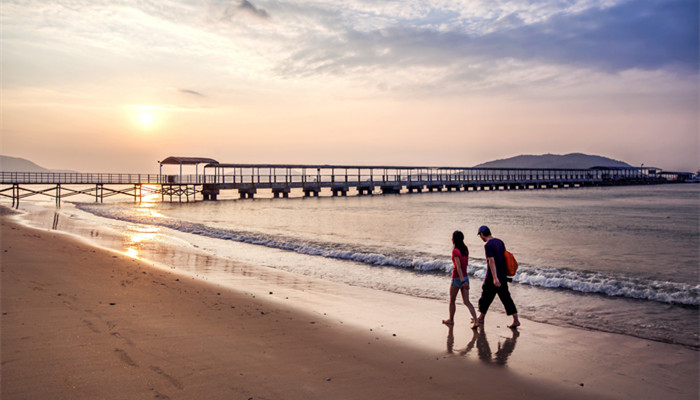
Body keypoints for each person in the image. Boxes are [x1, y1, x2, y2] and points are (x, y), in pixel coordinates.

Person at [476, 225, 520, 329]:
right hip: (502, 275)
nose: (480, 238)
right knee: (506, 298)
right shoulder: (500, 242)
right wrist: (501, 275)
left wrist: (495, 278)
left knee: (485, 298)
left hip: (493, 277)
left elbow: (491, 261)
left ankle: (481, 318)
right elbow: (504, 258)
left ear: (482, 234)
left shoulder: (488, 245)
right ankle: (516, 320)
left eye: (480, 235)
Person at [442, 230, 479, 329]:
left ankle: (451, 320)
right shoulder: (465, 249)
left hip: (457, 278)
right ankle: (476, 320)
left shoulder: (455, 251)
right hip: (466, 276)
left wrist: (462, 281)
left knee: (452, 300)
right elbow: (464, 265)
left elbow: (458, 267)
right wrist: (465, 281)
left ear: (454, 239)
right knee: (467, 301)